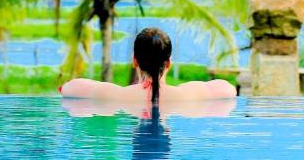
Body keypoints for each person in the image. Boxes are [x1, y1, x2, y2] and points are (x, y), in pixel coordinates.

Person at [59, 27, 236, 103]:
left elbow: (70, 88)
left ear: (134, 61)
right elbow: (228, 89)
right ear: (168, 63)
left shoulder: (116, 95)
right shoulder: (186, 94)